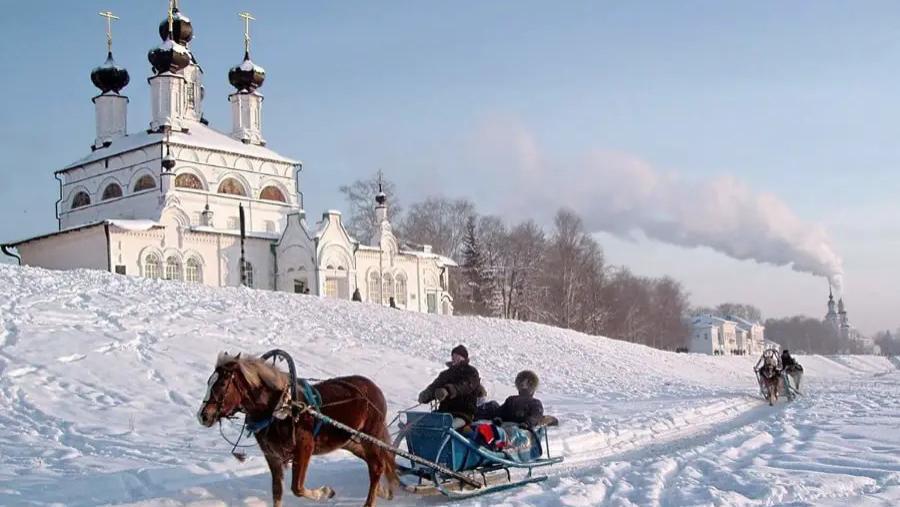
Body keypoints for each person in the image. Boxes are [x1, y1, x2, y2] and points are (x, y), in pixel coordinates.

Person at [417, 345, 481, 427]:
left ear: (464, 358)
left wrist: (448, 390)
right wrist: (427, 394)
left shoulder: (471, 372)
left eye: (458, 356)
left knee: (446, 428)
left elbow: (464, 386)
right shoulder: (446, 374)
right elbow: (435, 386)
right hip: (444, 413)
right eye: (453, 356)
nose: (455, 358)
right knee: (420, 424)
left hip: (463, 414)